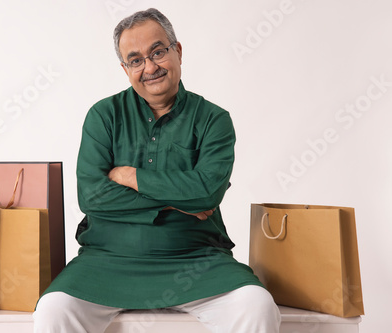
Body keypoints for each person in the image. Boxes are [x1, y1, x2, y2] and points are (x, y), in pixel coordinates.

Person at [34, 8, 281, 333]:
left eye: (158, 52)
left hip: (197, 261)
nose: (149, 67)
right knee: (54, 309)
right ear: (125, 69)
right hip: (107, 261)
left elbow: (207, 192)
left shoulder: (213, 120)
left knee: (256, 305)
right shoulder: (104, 116)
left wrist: (131, 177)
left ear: (177, 51)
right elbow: (91, 196)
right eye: (135, 60)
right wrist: (178, 199)